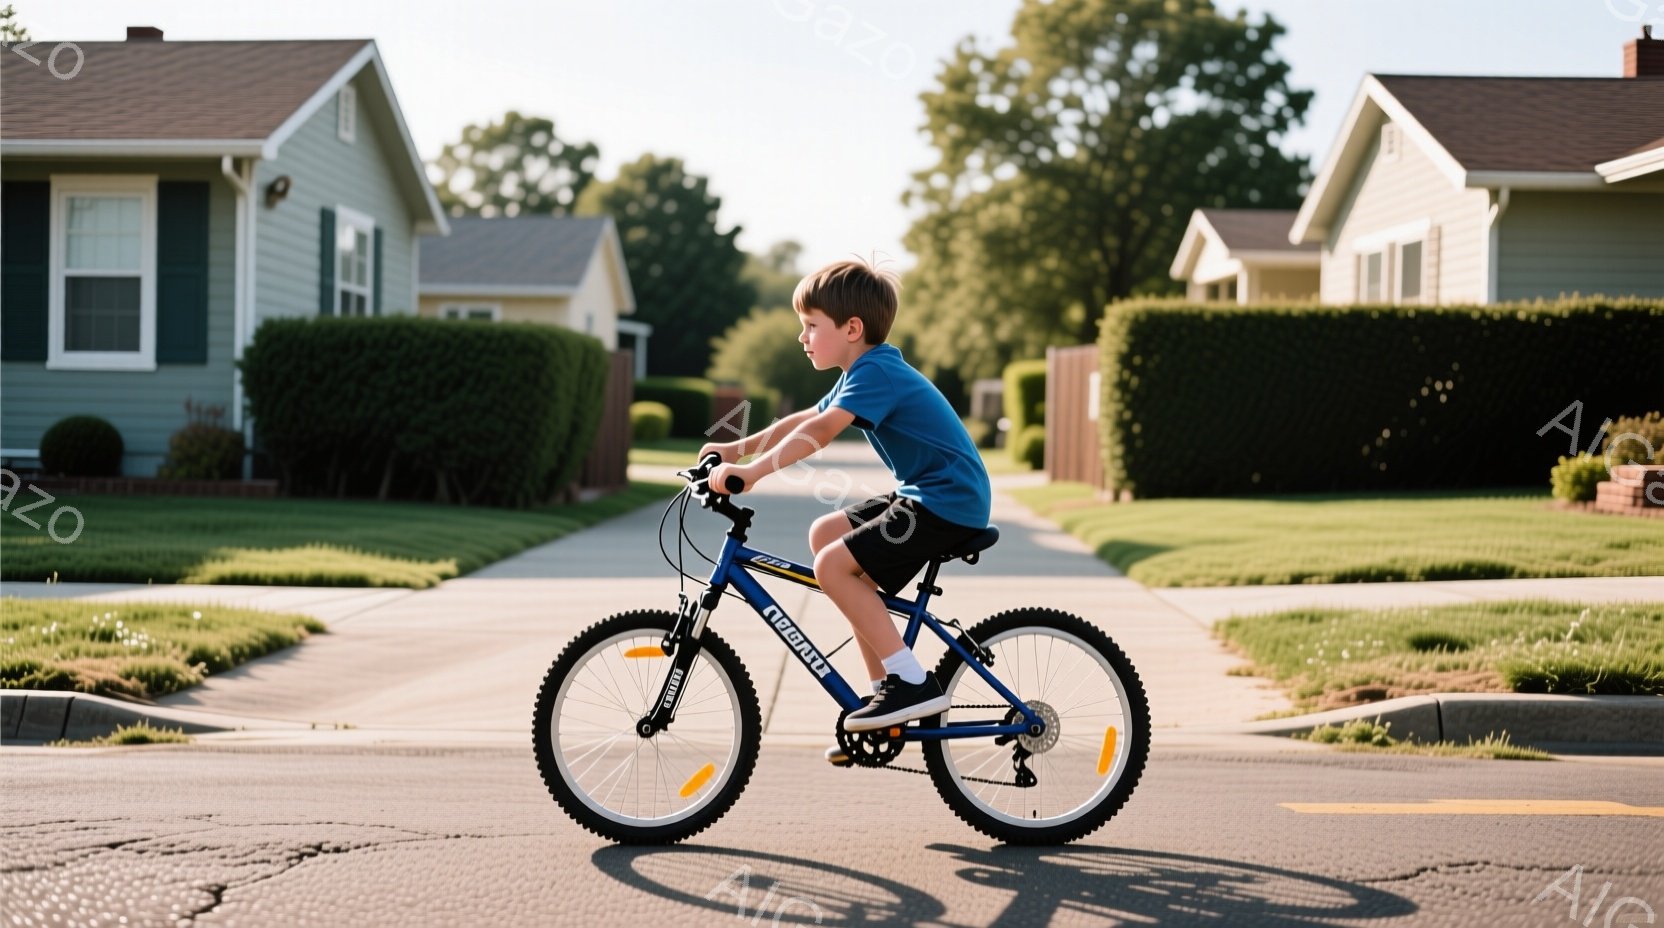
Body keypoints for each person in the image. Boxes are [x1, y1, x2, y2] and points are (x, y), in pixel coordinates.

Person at [700, 257, 993, 762]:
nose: (802, 337)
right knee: (825, 534)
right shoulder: (865, 369)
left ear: (852, 329)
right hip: (928, 495)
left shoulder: (877, 372)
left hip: (949, 502)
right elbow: (801, 419)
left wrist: (753, 475)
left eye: (811, 326)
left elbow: (820, 432)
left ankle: (910, 681)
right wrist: (735, 450)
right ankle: (883, 697)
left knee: (833, 564)